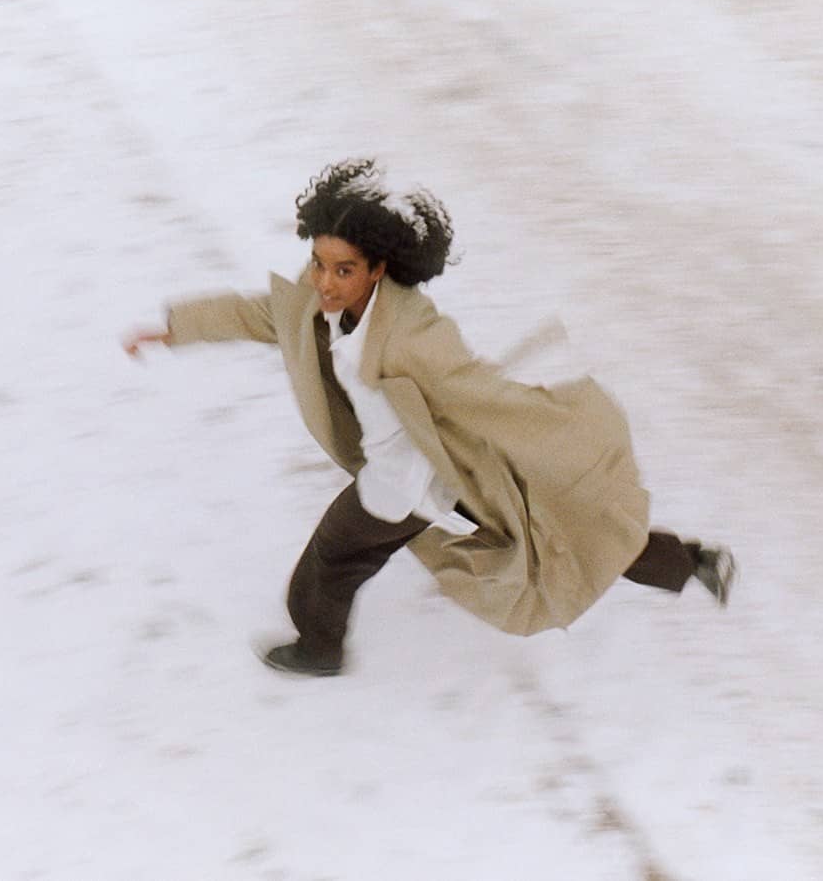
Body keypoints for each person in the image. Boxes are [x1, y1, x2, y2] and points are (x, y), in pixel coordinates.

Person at [122, 159, 735, 677]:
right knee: (562, 531)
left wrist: (564, 420)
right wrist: (177, 328)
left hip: (406, 483)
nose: (325, 283)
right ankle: (693, 561)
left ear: (379, 269)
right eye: (318, 263)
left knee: (332, 559)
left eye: (343, 271)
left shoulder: (414, 335)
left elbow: (479, 387)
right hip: (445, 466)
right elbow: (262, 315)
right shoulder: (324, 303)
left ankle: (319, 648)